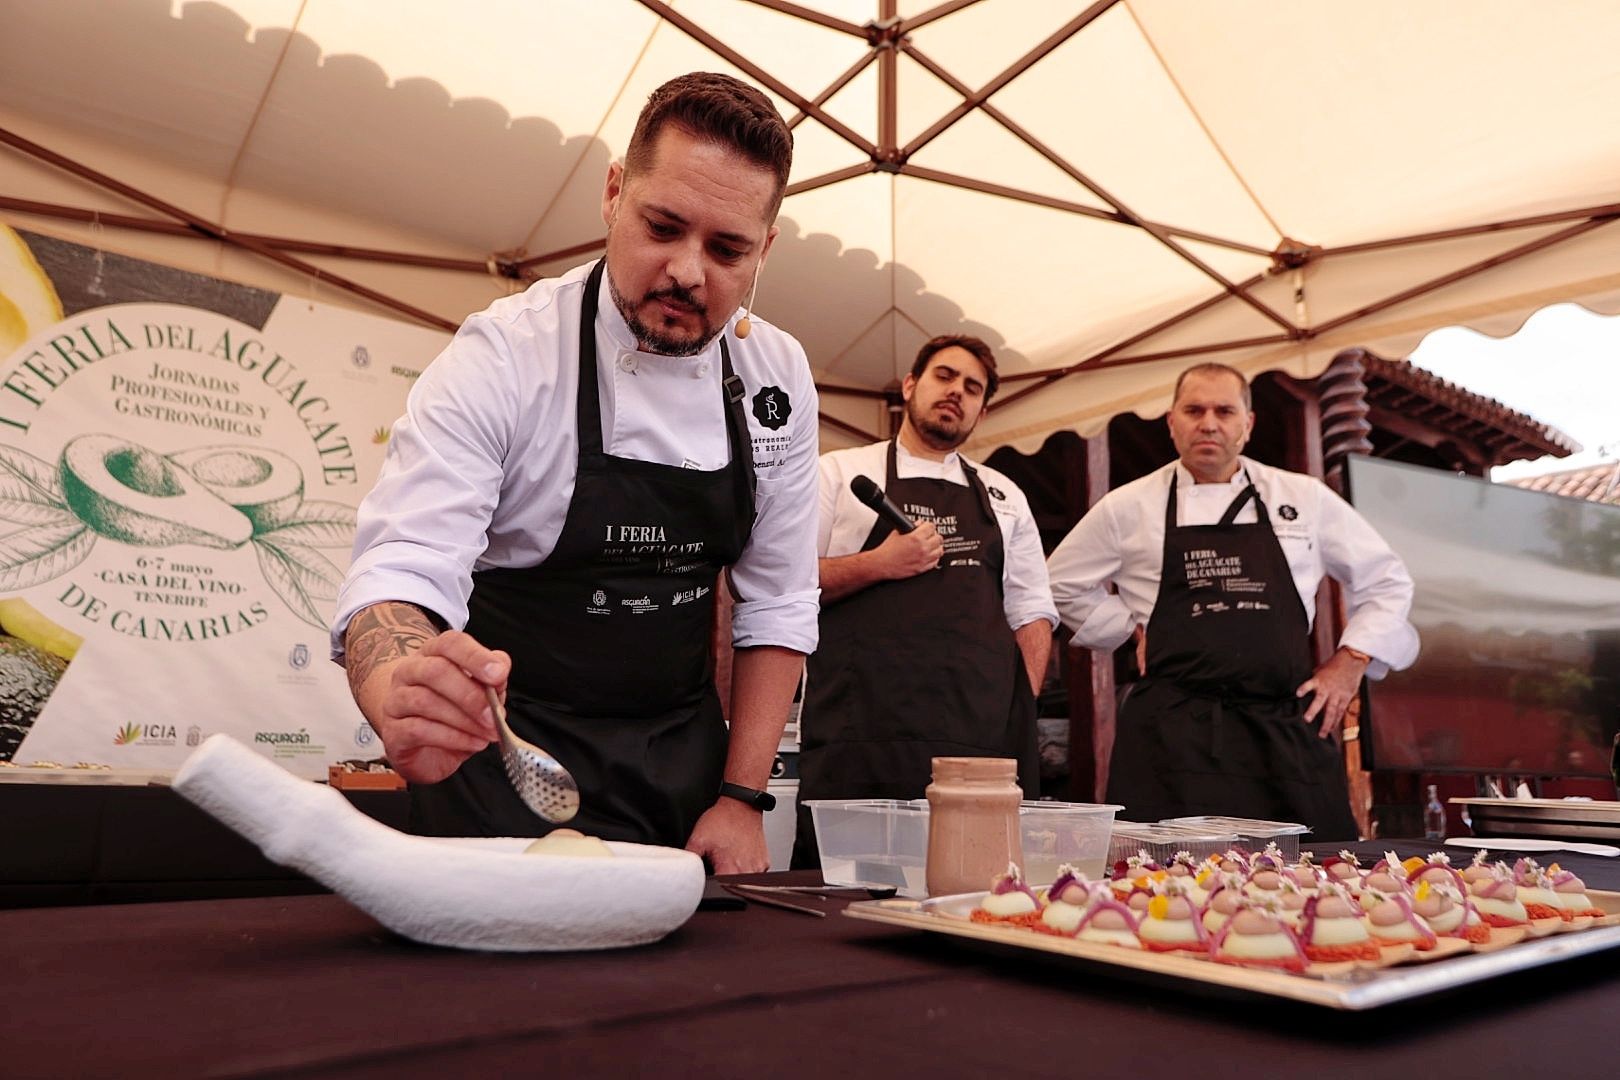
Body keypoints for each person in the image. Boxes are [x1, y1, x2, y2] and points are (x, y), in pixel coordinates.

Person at [330, 73, 819, 873]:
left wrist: (742, 799)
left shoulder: (778, 376)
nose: (688, 272)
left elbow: (780, 602)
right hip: (502, 763)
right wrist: (400, 690)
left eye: (727, 249)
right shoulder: (507, 356)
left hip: (681, 773)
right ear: (614, 193)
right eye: (663, 227)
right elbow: (404, 566)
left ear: (764, 249)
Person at [1045, 362, 1418, 840]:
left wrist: (1351, 659)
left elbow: (1387, 580)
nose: (1208, 423)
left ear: (1248, 424)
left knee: (1316, 871)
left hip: (1284, 731)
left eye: (1224, 411)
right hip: (1170, 737)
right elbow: (1057, 583)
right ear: (1172, 422)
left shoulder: (1303, 497)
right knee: (1161, 876)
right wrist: (1128, 628)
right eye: (1194, 410)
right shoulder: (1128, 506)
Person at [793, 335, 1058, 867]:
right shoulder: (839, 473)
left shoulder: (1004, 495)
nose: (956, 391)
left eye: (973, 388)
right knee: (846, 892)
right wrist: (879, 563)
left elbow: (1031, 613)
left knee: (974, 889)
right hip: (859, 737)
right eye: (944, 376)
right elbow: (787, 584)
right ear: (911, 386)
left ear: (982, 412)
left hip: (975, 749)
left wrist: (1012, 710)